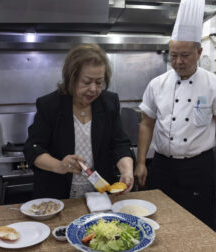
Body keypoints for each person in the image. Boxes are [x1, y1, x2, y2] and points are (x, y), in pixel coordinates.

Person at [134, 0, 216, 231]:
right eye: (173, 55)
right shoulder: (157, 84)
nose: (178, 61)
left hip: (198, 167)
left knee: (199, 227)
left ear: (199, 52)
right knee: (160, 224)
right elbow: (146, 124)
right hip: (162, 166)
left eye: (185, 55)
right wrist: (141, 162)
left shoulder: (214, 85)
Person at [23, 43, 134, 199]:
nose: (94, 89)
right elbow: (33, 148)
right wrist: (60, 166)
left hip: (99, 196)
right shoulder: (50, 105)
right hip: (58, 196)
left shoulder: (109, 103)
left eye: (99, 82)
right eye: (87, 82)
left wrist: (127, 171)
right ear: (71, 78)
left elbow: (120, 144)